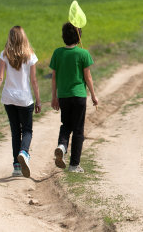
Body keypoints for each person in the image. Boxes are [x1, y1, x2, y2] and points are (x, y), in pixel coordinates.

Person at [0, 26, 41, 178]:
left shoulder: (4, 54)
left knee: (15, 131)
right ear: (24, 38)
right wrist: (38, 101)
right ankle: (24, 152)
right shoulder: (30, 56)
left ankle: (16, 166)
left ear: (10, 38)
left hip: (8, 97)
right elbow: (34, 81)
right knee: (27, 130)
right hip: (24, 99)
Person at [50, 22, 98, 173]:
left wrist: (54, 97)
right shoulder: (83, 54)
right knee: (78, 130)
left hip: (63, 96)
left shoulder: (57, 53)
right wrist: (93, 96)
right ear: (79, 37)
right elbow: (88, 77)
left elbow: (54, 78)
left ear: (64, 36)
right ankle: (74, 165)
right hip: (78, 96)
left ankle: (62, 147)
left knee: (66, 125)